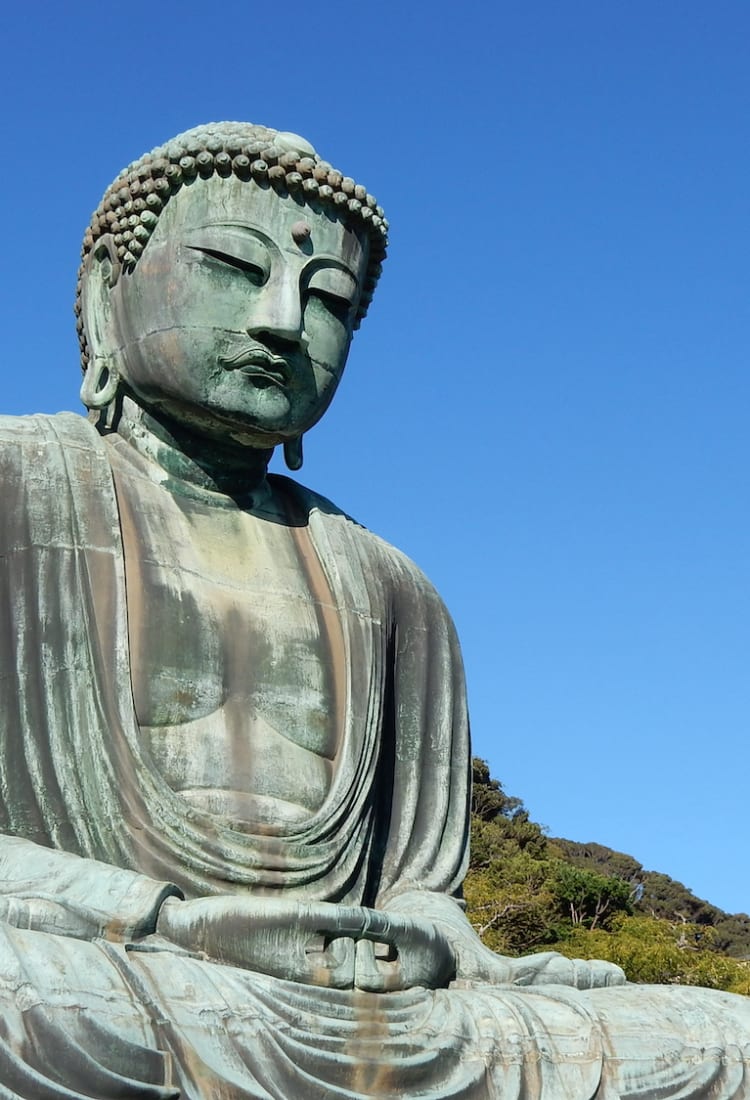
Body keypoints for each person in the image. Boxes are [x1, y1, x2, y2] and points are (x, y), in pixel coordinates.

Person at [0, 121, 748, 1099]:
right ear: (106, 291)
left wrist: (448, 949)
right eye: (232, 266)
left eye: (328, 301)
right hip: (104, 964)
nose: (279, 321)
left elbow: (417, 890)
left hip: (359, 1013)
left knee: (721, 1036)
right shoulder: (19, 485)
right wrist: (171, 917)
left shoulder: (393, 587)